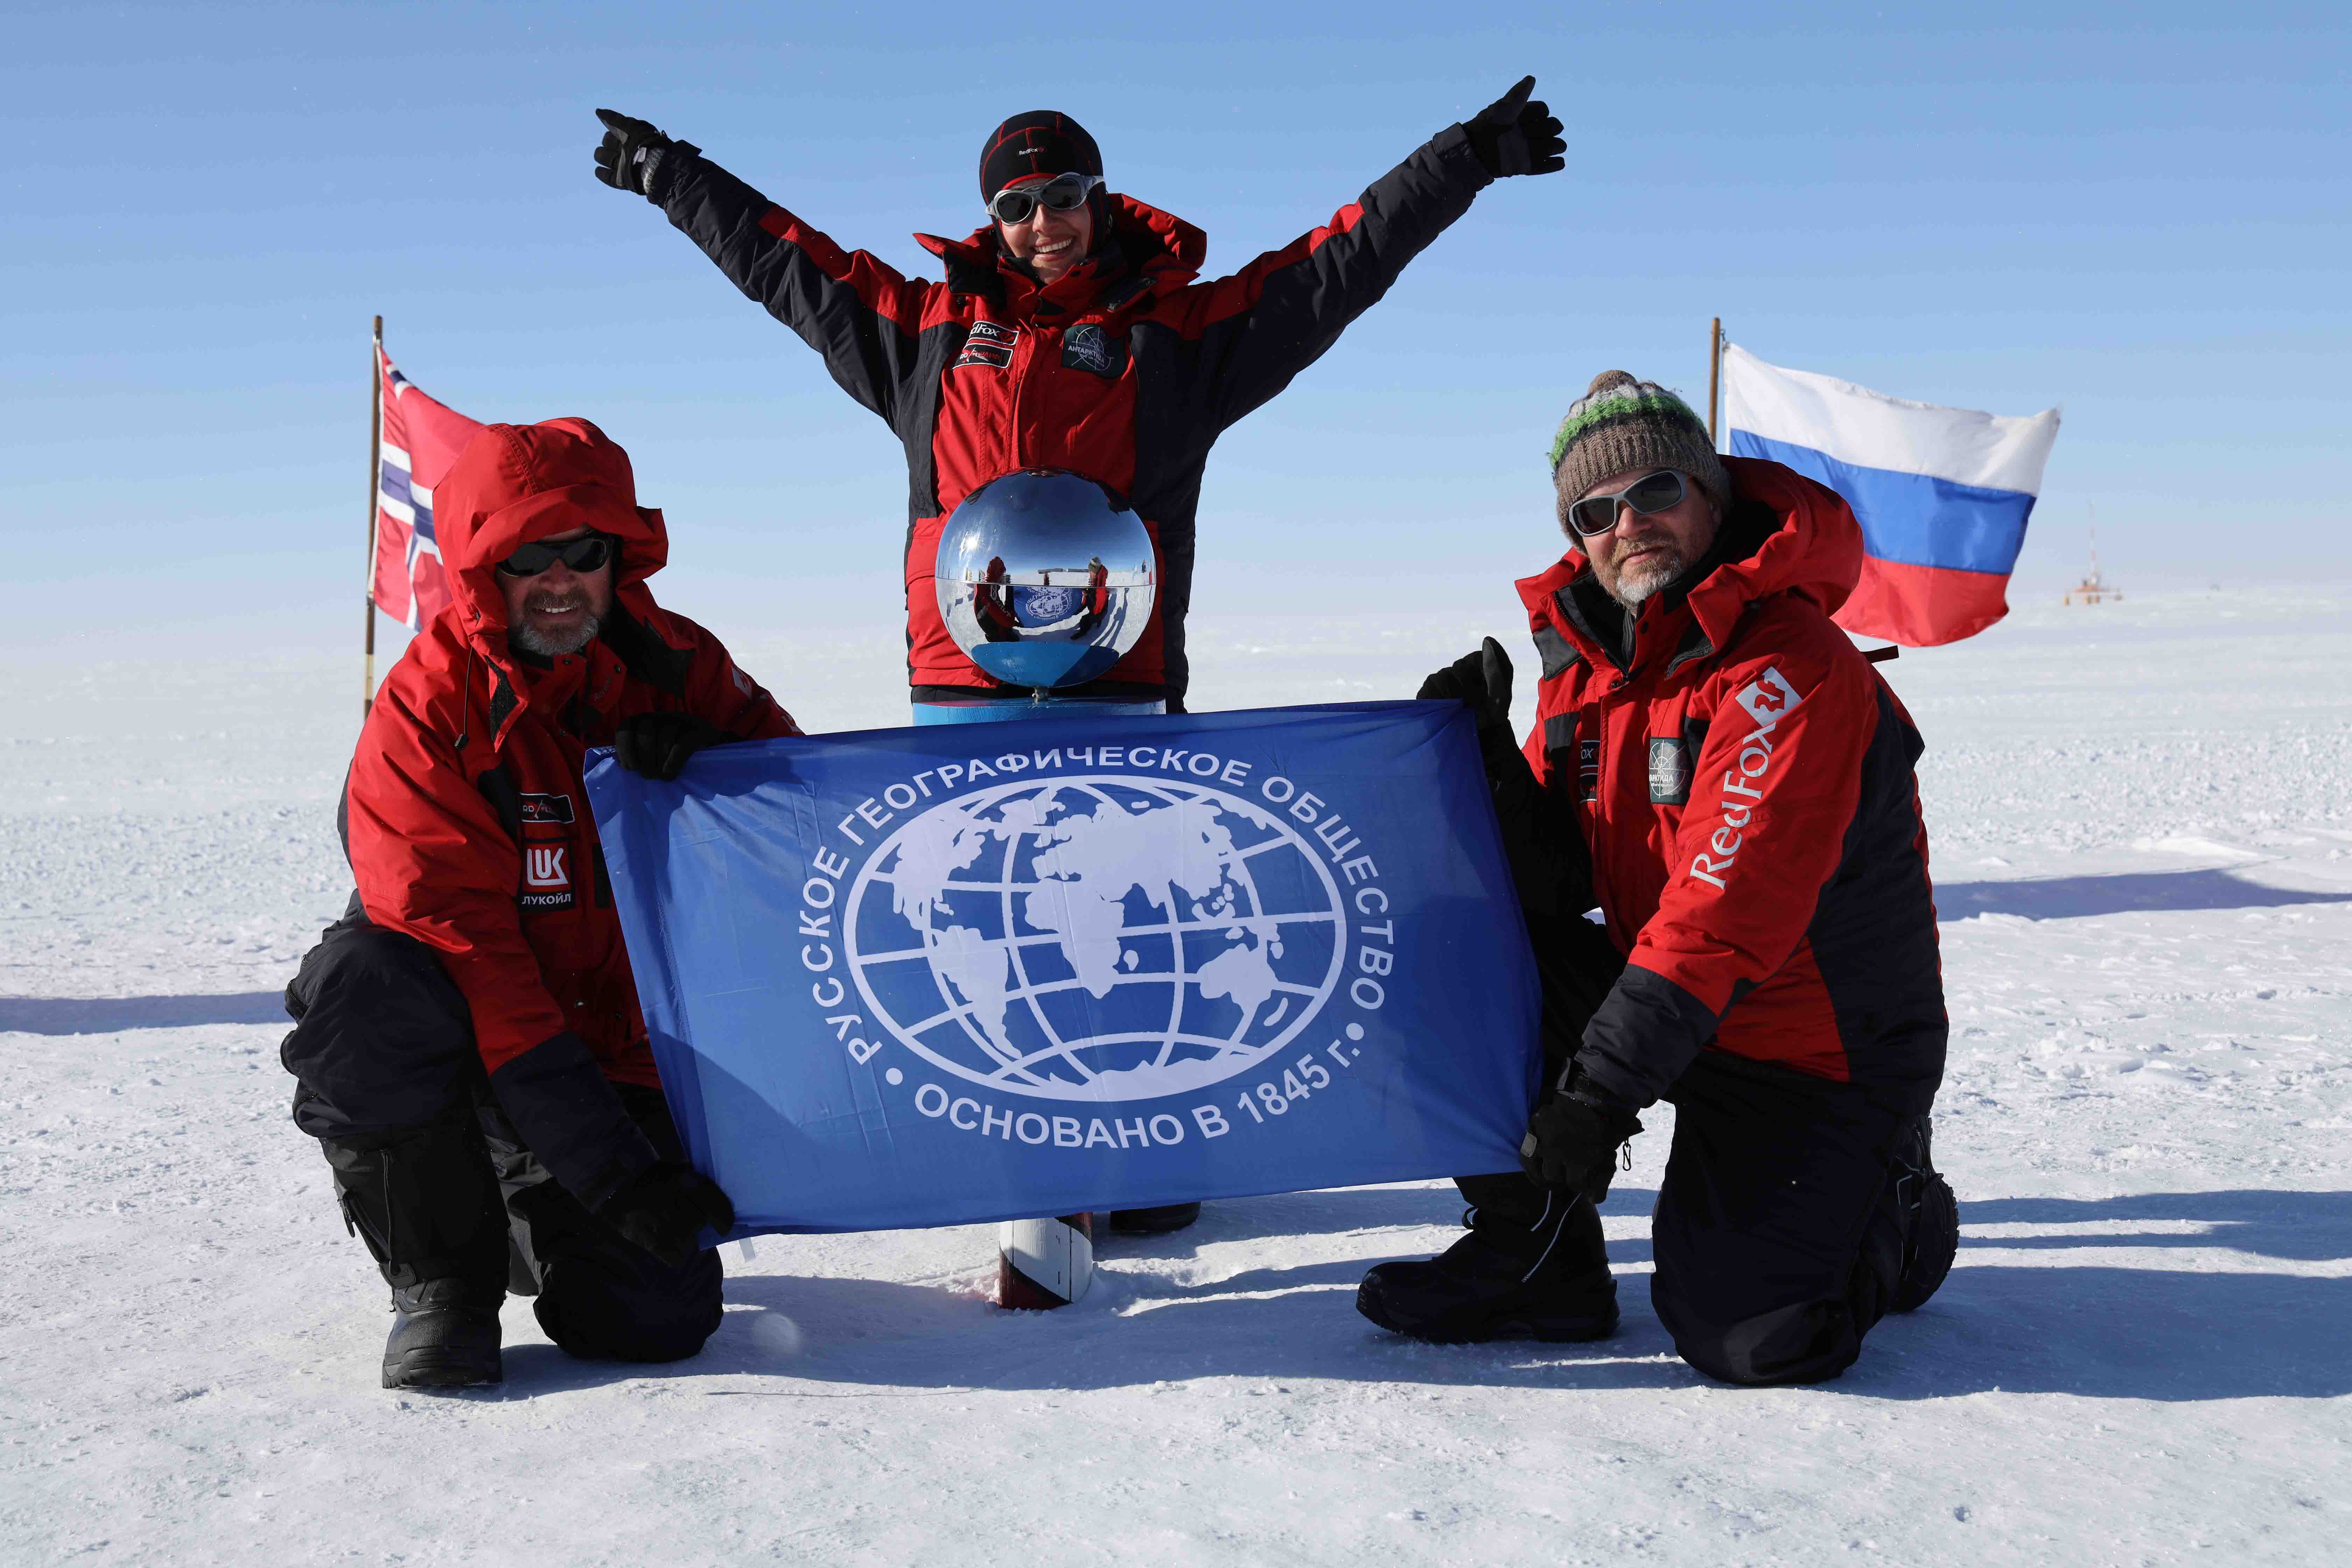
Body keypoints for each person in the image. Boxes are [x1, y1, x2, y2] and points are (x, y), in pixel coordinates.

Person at [587, 80, 1566, 721]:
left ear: (1099, 198)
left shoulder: (1181, 339)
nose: (1042, 221)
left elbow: (1336, 264)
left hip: (1121, 694)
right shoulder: (924, 334)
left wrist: (1464, 159)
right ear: (993, 220)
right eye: (1016, 206)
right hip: (957, 696)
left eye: (1062, 194)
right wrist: (670, 175)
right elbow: (785, 262)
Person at [1358, 371, 1960, 1386]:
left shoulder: (1790, 666)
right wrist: (1492, 768)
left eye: (1656, 491)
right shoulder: (1588, 662)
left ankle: (1894, 1199)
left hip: (1816, 1044)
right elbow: (1560, 887)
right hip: (1679, 1003)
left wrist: (1595, 1099)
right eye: (1596, 510)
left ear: (1713, 495)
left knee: (1754, 1338)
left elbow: (1719, 916)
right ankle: (1537, 1261)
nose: (1626, 522)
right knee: (1440, 954)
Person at [280, 417, 802, 1390]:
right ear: (484, 568)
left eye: (584, 552)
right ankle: (443, 1281)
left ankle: (527, 1207)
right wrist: (614, 1173)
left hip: (624, 1056)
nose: (560, 581)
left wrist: (722, 768)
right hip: (487, 1052)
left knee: (652, 1316)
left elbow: (803, 834)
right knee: (367, 987)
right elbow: (477, 961)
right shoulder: (427, 713)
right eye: (528, 556)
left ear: (619, 558)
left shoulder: (676, 662)